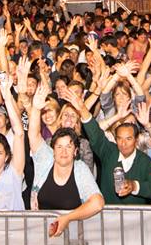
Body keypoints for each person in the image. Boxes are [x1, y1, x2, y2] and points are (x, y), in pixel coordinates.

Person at [68, 85, 151, 205]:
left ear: (136, 140)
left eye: (128, 139)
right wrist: (82, 109)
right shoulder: (109, 152)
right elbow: (95, 133)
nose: (123, 143)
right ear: (115, 139)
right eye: (120, 139)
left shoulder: (144, 161)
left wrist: (134, 186)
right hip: (108, 214)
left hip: (135, 215)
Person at [28, 86, 104, 236]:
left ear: (75, 152)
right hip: (41, 233)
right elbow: (33, 135)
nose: (63, 152)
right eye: (59, 147)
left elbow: (98, 203)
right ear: (53, 150)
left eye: (68, 147)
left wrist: (67, 218)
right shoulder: (45, 159)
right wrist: (36, 109)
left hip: (73, 237)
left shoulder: (80, 168)